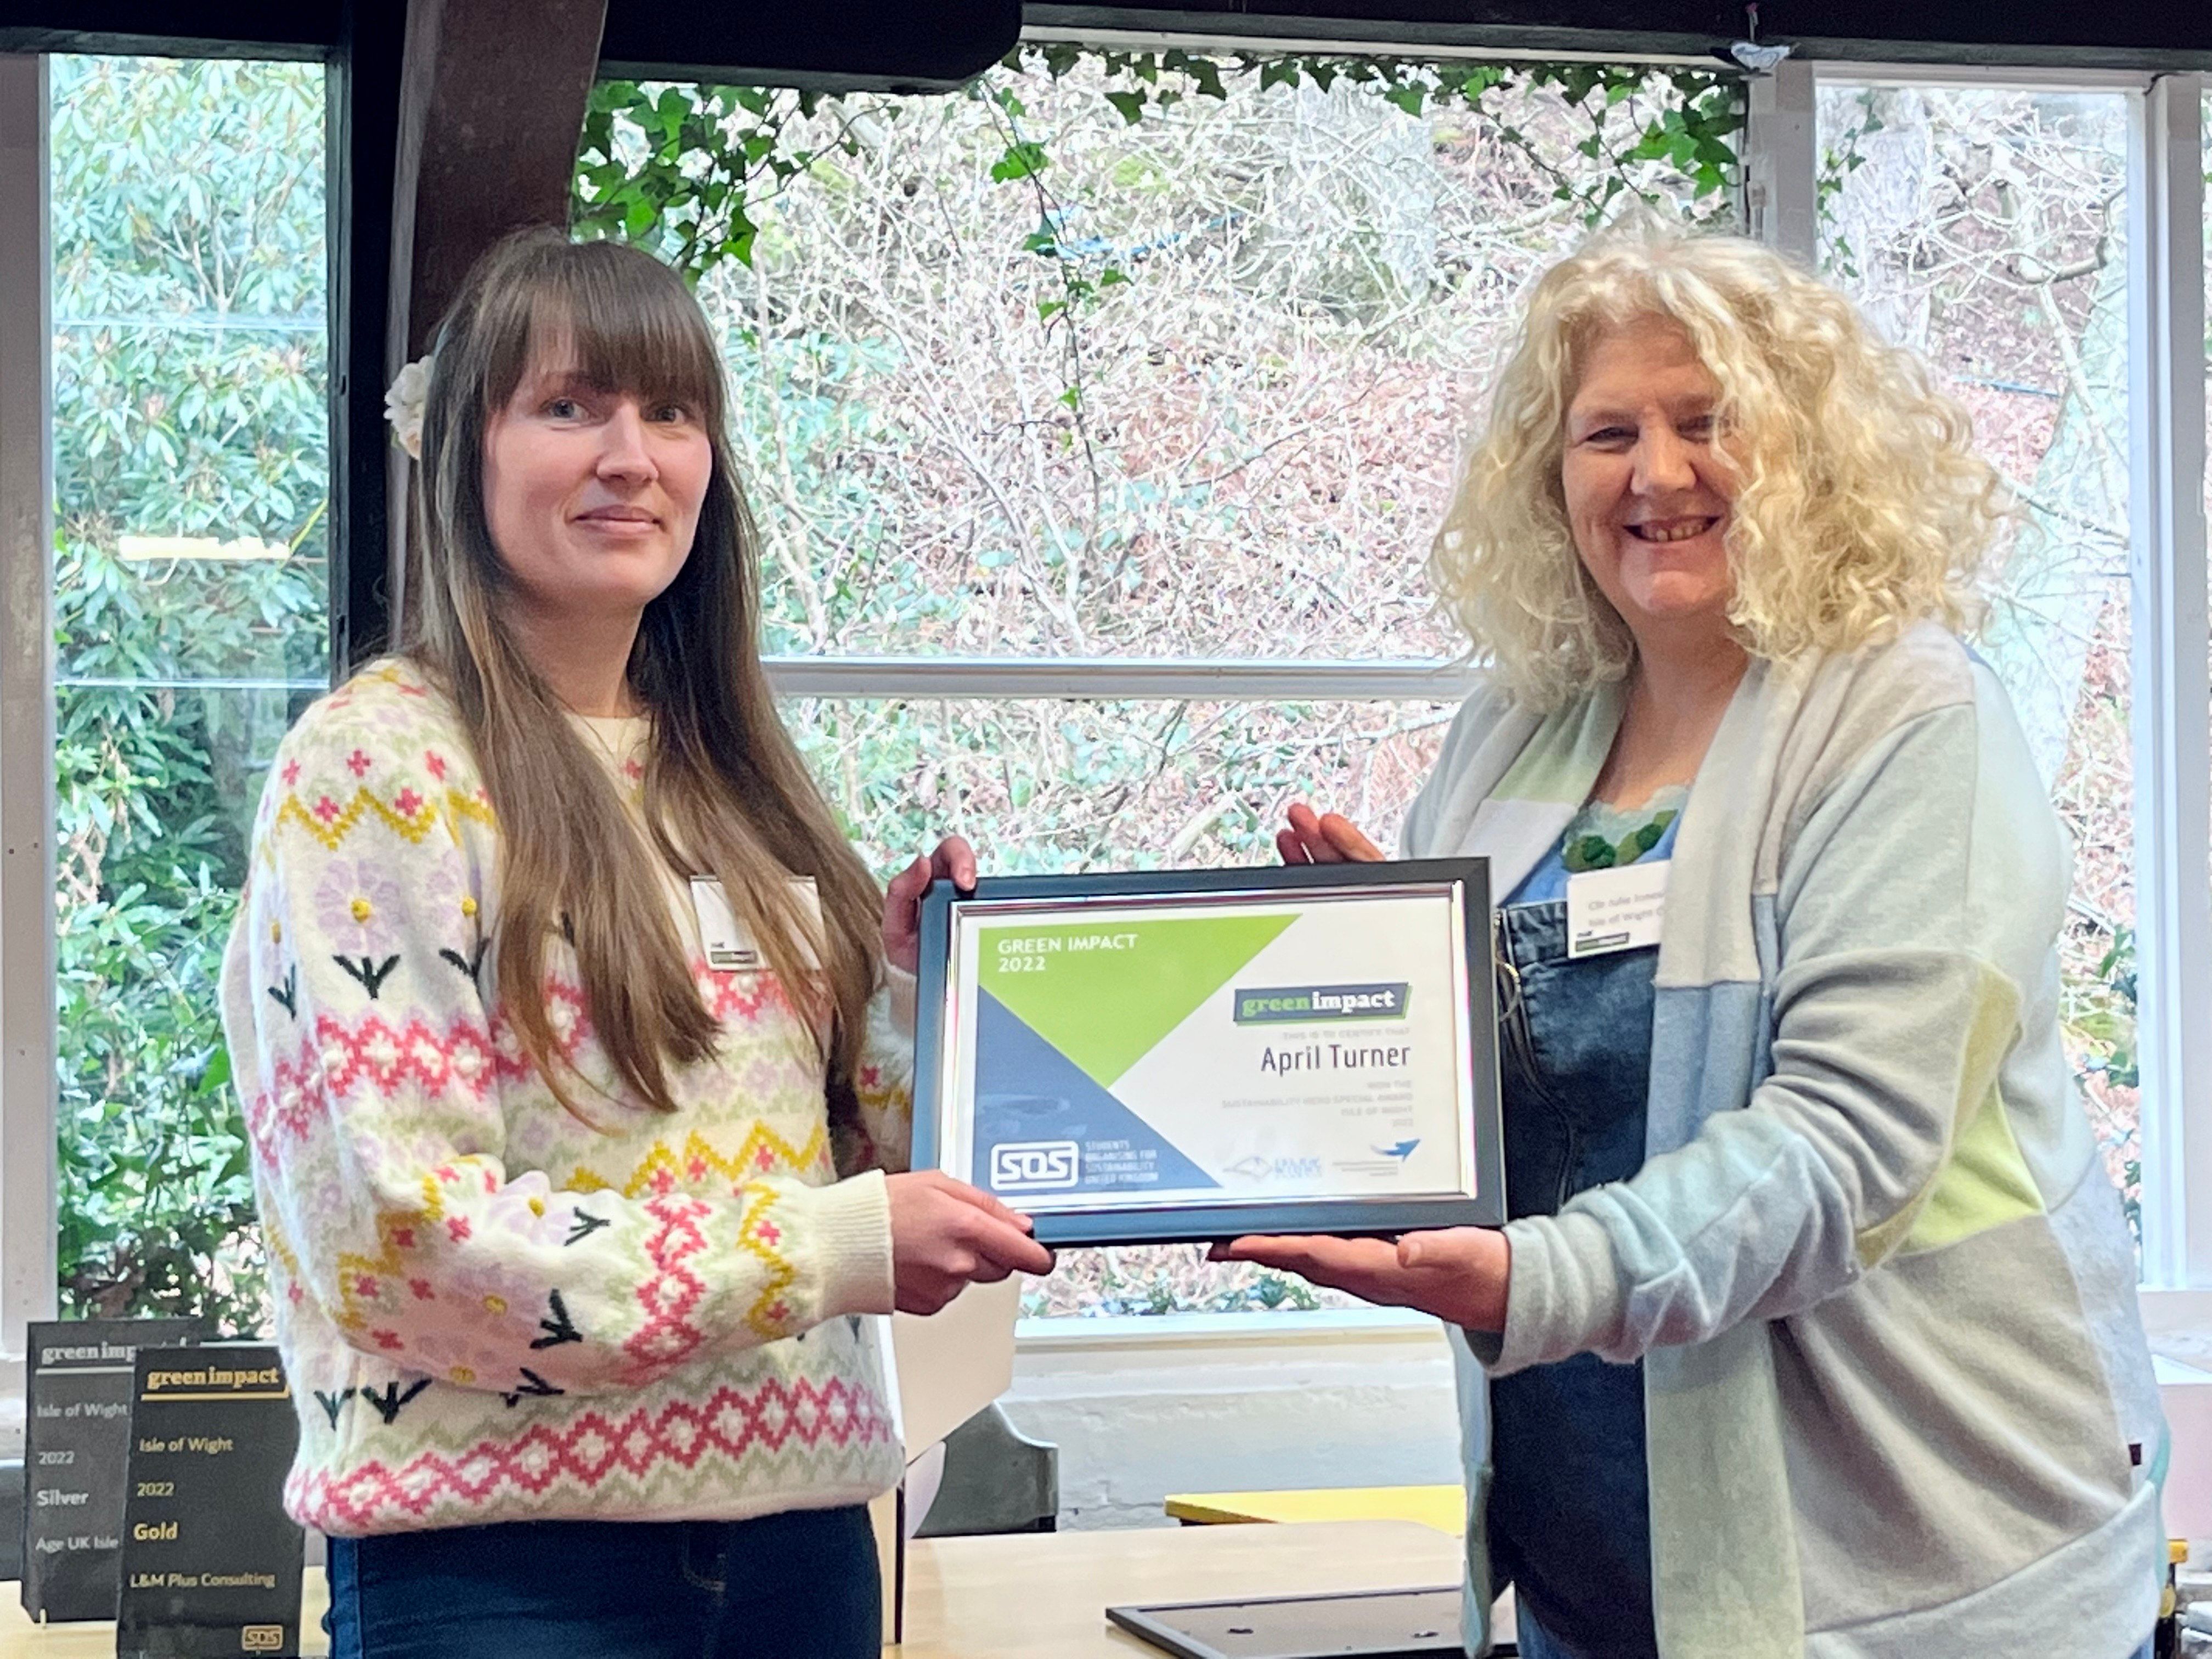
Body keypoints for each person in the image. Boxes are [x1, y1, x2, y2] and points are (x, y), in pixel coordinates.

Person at [1220, 221, 2165, 1659]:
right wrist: (1396, 992)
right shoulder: (1515, 739)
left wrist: (1541, 1281)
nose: (1657, 474)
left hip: (1914, 1560)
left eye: (1706, 422)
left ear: (1806, 454)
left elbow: (1844, 1145)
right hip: (1600, 1554)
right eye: (1609, 433)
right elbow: (1510, 1117)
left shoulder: (1911, 721)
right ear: (1554, 480)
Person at [218, 228, 1053, 1659]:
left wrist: (919, 996)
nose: (632, 455)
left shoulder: (734, 782)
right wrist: (832, 1247)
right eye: (570, 407)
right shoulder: (378, 768)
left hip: (802, 1551)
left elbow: (859, 1169)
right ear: (461, 456)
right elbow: (403, 1242)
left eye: (670, 413)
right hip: (505, 1574)